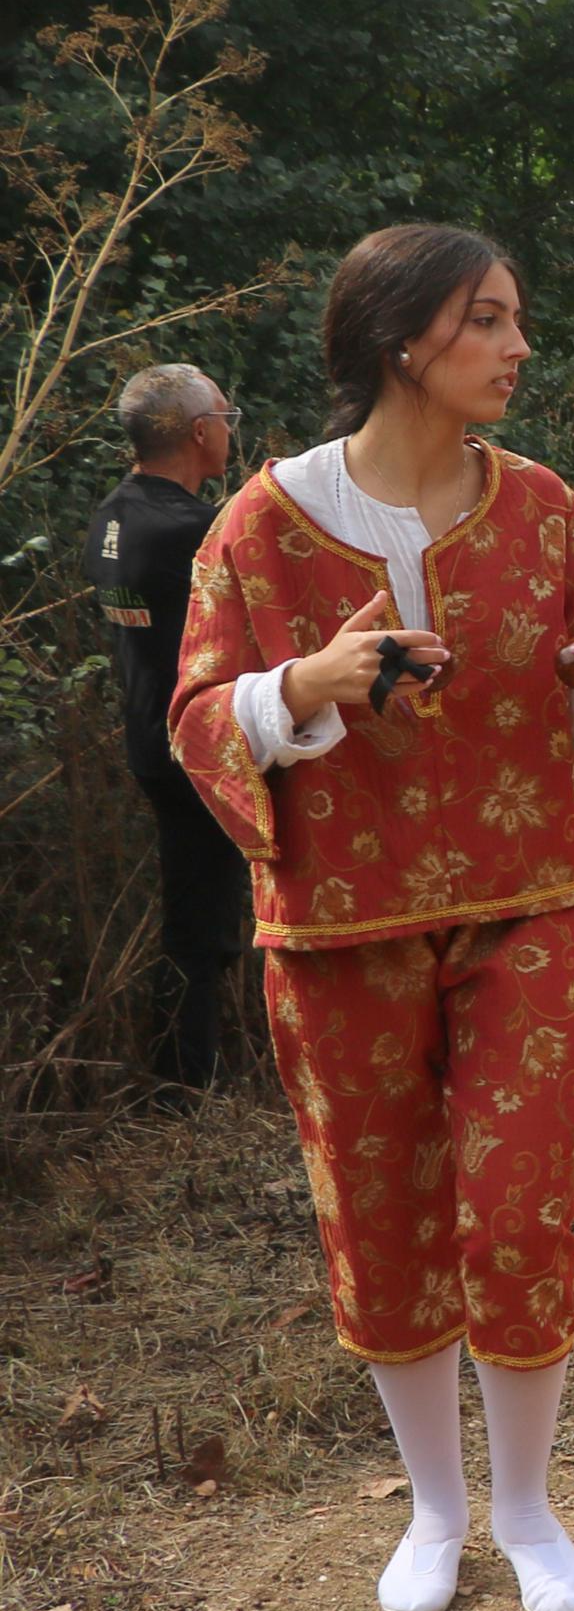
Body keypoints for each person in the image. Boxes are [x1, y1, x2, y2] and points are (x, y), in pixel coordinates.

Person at [168, 224, 574, 1611]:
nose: (518, 346)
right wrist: (307, 682)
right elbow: (201, 719)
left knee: (519, 1203)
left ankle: (526, 1506)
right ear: (404, 340)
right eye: (490, 320)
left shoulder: (544, 504)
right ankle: (437, 1511)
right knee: (382, 1215)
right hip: (340, 926)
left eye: (516, 318)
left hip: (533, 901)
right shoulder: (259, 525)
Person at [90, 363, 249, 1091]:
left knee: (195, 916)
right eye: (227, 416)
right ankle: (187, 1088)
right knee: (206, 929)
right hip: (201, 748)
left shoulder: (115, 515)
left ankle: (190, 1077)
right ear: (199, 432)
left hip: (152, 739)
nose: (230, 428)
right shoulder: (195, 531)